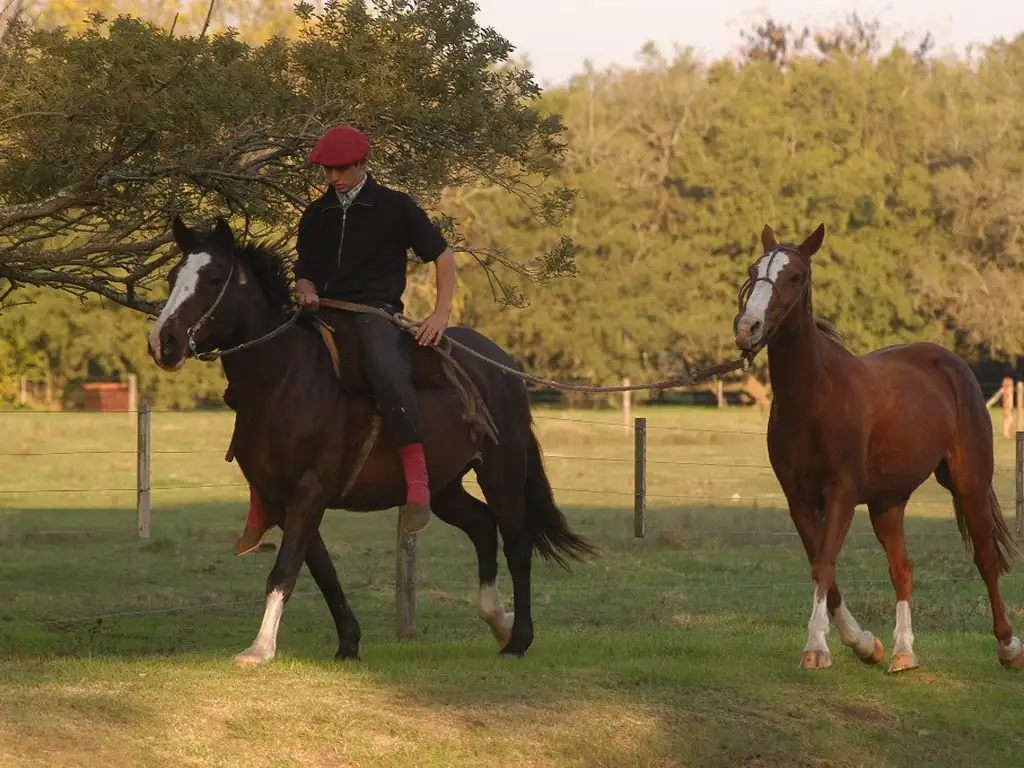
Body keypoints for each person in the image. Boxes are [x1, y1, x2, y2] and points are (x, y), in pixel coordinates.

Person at [232, 123, 457, 556]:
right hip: (319, 314)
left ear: (362, 164)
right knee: (257, 375)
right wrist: (306, 288)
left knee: (387, 369)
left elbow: (442, 257)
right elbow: (306, 268)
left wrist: (441, 313)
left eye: (341, 169)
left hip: (373, 314)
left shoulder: (395, 207)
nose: (333, 177)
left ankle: (417, 481)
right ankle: (259, 501)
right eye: (328, 170)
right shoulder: (316, 214)